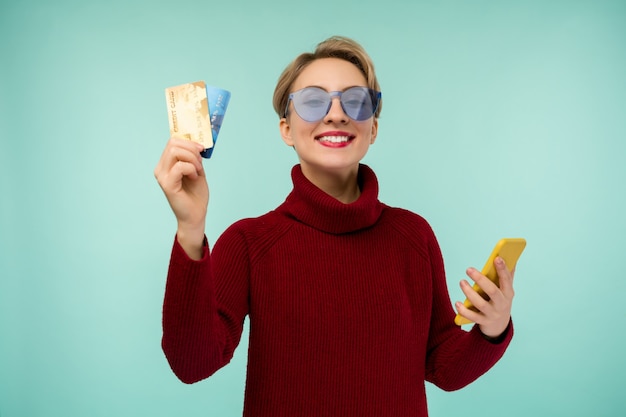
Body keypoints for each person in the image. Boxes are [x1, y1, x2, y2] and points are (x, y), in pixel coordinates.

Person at [154, 35, 515, 417]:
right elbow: (192, 365)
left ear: (372, 128)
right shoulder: (249, 243)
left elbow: (443, 364)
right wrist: (190, 228)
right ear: (286, 130)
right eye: (313, 101)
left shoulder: (413, 236)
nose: (336, 114)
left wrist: (492, 329)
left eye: (356, 102)